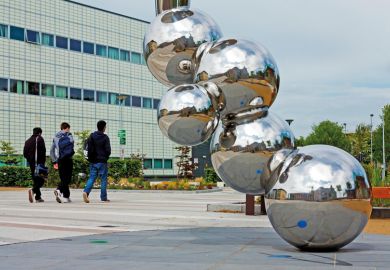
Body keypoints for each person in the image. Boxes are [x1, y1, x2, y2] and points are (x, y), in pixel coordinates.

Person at [83, 120, 111, 203]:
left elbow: (87, 147)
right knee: (103, 179)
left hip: (93, 161)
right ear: (104, 127)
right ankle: (103, 197)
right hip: (102, 161)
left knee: (92, 177)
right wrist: (105, 157)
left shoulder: (91, 136)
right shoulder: (105, 137)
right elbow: (108, 150)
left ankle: (86, 192)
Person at [50, 122, 75, 203]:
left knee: (63, 178)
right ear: (67, 128)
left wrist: (54, 161)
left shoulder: (55, 137)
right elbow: (72, 143)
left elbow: (51, 150)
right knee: (67, 179)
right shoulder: (69, 134)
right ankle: (59, 190)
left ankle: (66, 196)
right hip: (68, 159)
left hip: (60, 159)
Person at [23, 127, 46, 203]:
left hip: (31, 164)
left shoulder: (27, 141)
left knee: (36, 180)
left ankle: (38, 197)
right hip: (39, 163)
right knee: (42, 180)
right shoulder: (39, 138)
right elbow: (43, 151)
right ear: (40, 133)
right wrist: (42, 163)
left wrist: (30, 160)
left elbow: (25, 153)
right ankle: (33, 190)